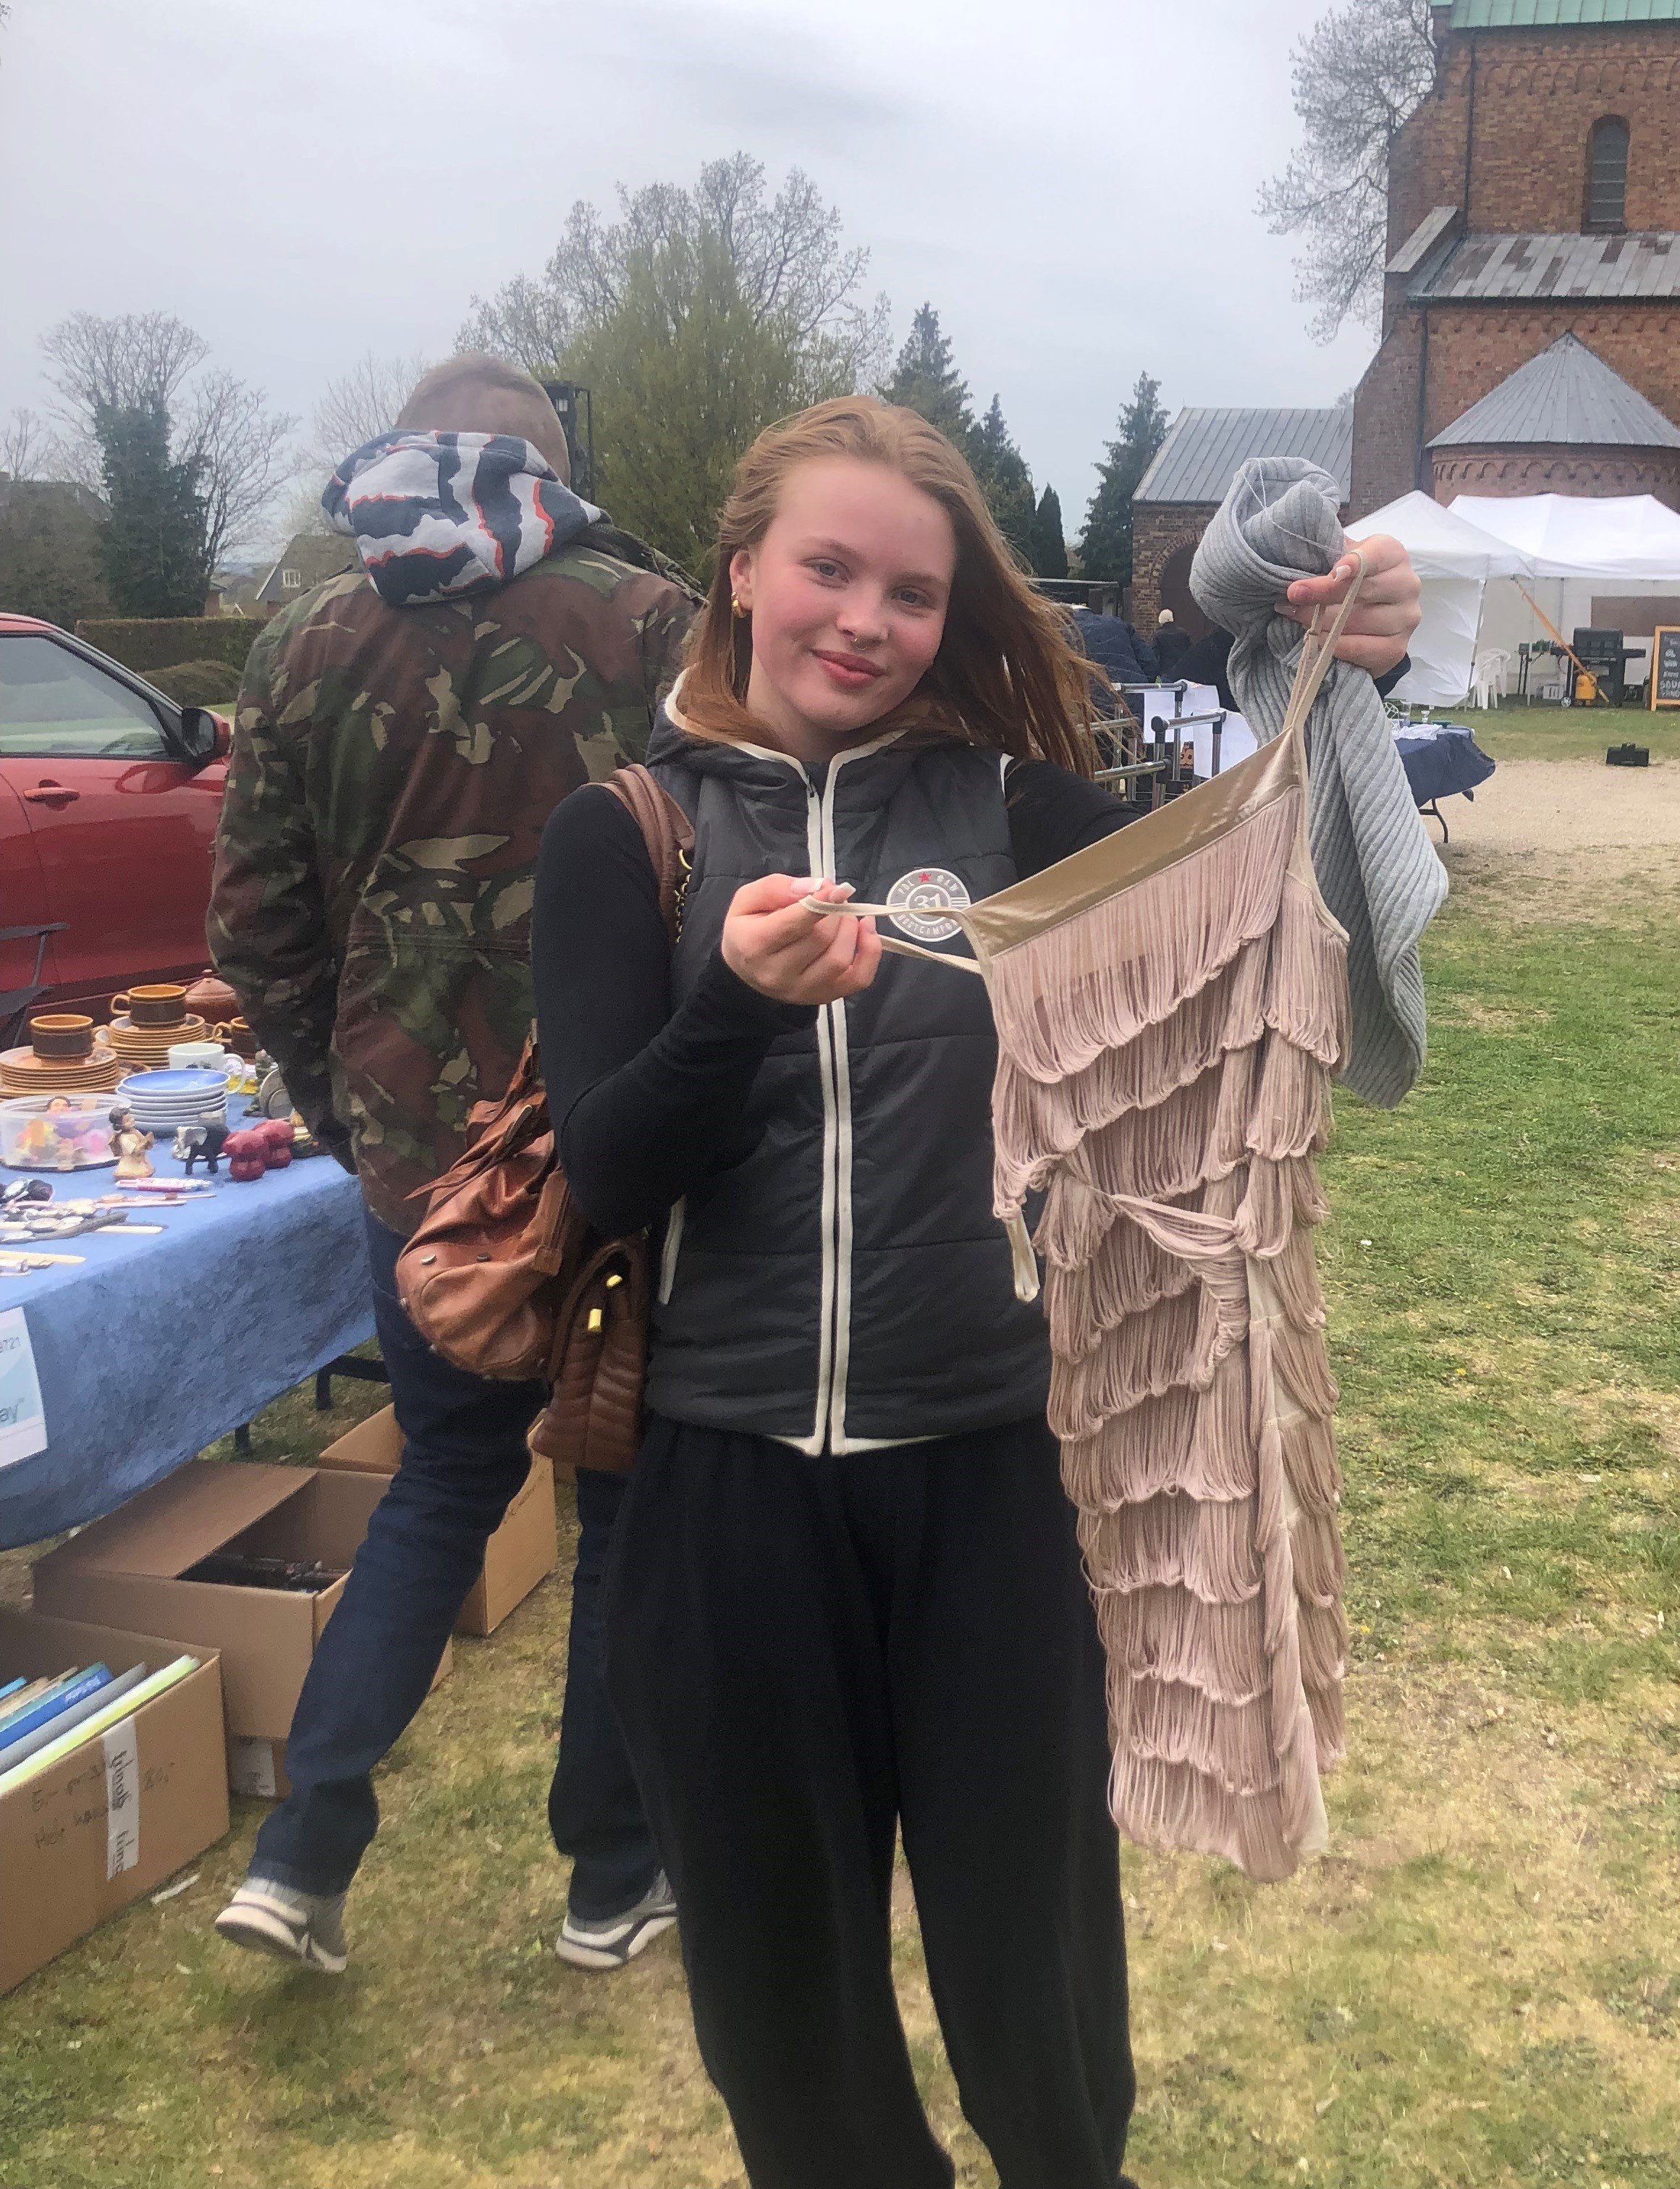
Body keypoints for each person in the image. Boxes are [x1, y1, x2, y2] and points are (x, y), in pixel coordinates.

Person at [528, 394, 1422, 2188]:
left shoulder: (1018, 813)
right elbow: (607, 1173)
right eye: (828, 569)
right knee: (790, 2034)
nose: (864, 619)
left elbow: (1249, 893)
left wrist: (1323, 649)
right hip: (721, 1499)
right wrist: (738, 1009)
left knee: (1047, 2003)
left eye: (913, 593)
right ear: (745, 567)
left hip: (989, 1476)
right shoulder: (625, 833)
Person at [206, 355, 695, 1978]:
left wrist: (352, 1110)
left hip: (417, 1162)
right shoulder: (645, 626)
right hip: (609, 1141)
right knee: (615, 1497)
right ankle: (610, 1877)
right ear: (556, 468)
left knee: (437, 1489)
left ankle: (303, 1848)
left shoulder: (300, 638)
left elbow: (254, 932)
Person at [1071, 599, 1157, 690]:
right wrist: (1140, 686)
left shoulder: (1065, 629)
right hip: (1132, 691)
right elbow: (1150, 663)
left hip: (1090, 695)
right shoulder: (1119, 624)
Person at [1149, 604, 1194, 677]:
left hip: (1166, 670)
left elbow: (1154, 655)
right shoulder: (1183, 633)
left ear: (1161, 620)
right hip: (1182, 669)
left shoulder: (1158, 635)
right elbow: (1190, 650)